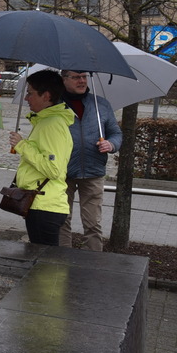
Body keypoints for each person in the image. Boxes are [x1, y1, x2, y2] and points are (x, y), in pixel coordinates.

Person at [9, 70, 75, 246]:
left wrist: (22, 146)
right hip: (40, 203)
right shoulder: (45, 122)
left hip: (44, 205)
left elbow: (53, 169)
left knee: (45, 266)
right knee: (44, 263)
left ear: (46, 96)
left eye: (30, 93)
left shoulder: (52, 124)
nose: (26, 98)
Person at [59, 70, 122, 251]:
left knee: (93, 225)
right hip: (63, 172)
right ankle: (60, 262)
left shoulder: (100, 104)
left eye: (84, 76)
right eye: (76, 77)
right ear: (64, 80)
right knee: (62, 221)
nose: (82, 80)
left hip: (93, 171)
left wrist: (111, 144)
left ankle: (93, 265)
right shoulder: (55, 104)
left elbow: (116, 133)